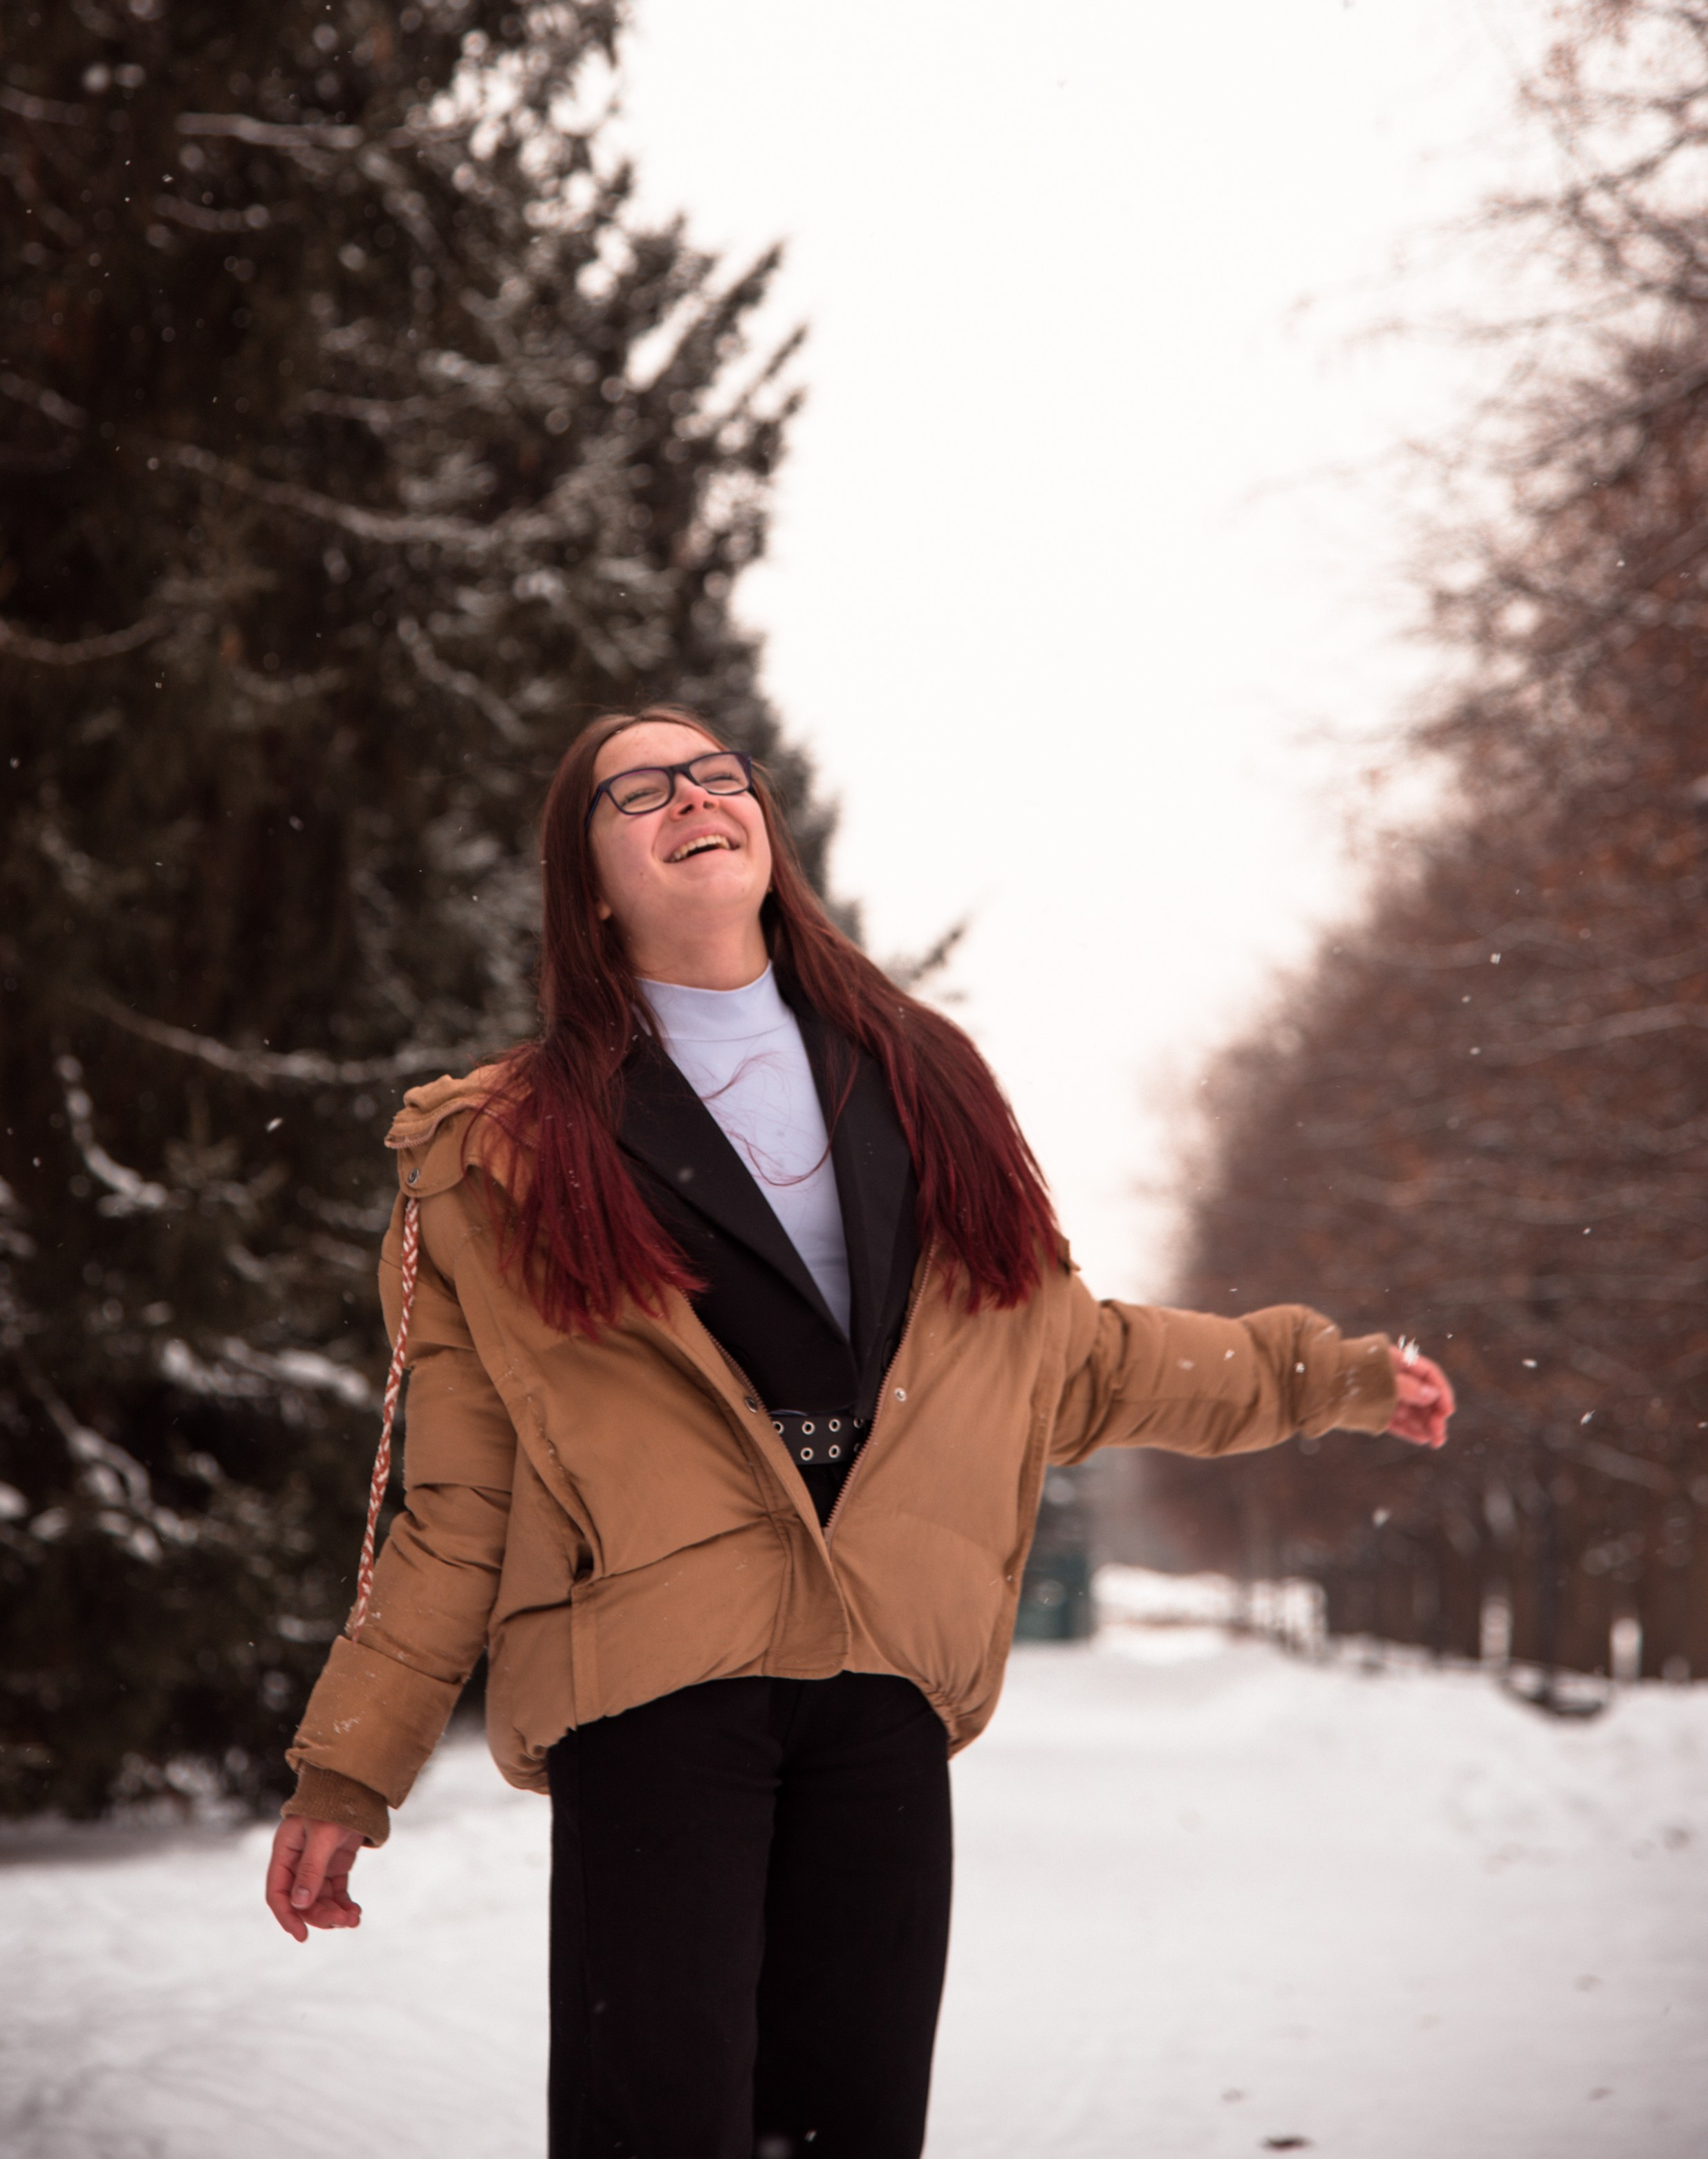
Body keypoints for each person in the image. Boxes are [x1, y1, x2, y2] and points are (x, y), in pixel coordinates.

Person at [265, 705, 1454, 2159]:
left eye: (716, 773)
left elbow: (1069, 1360)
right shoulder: (501, 1149)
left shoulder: (920, 1082)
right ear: (589, 884)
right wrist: (350, 1767)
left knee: (854, 2127)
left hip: (883, 1680)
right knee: (656, 2125)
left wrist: (1325, 1375)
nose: (691, 796)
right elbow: (458, 1504)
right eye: (638, 790)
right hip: (653, 1687)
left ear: (764, 828)